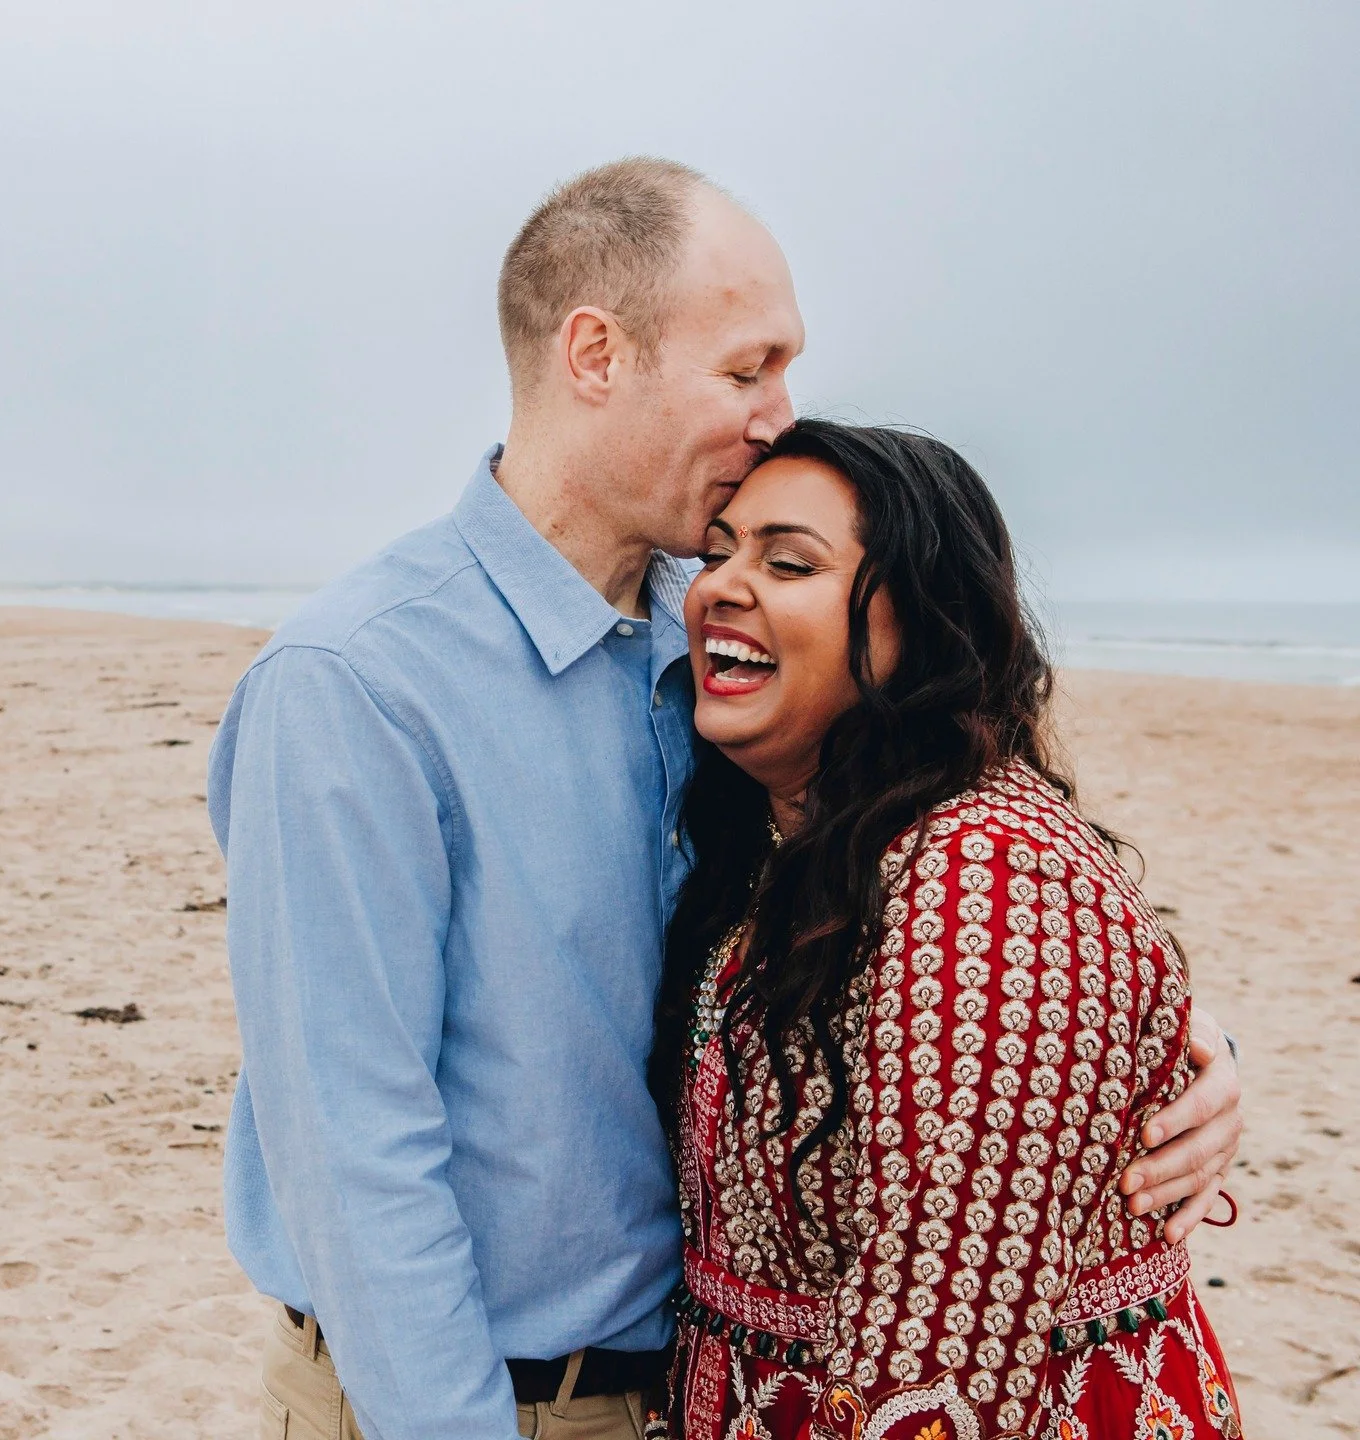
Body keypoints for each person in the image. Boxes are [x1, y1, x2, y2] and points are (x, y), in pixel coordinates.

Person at [206, 158, 1242, 1440]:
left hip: (687, 1396)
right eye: (748, 369)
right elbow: (353, 1156)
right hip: (467, 1402)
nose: (779, 413)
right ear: (598, 353)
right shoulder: (357, 685)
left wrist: (1178, 1063)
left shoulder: (714, 662)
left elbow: (932, 920)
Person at [659, 420, 1242, 1438]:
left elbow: (936, 1378)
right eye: (716, 553)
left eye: (787, 561)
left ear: (918, 623)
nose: (717, 588)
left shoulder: (995, 874)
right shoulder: (783, 847)